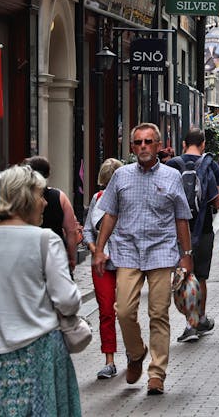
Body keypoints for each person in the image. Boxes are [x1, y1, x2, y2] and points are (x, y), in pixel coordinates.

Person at [0, 165, 81, 415]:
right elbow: (68, 300)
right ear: (26, 198)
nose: (44, 203)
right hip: (39, 350)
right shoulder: (45, 240)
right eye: (40, 195)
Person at [92, 123, 193, 396]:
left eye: (149, 142)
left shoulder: (173, 176)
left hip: (161, 252)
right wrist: (100, 249)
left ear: (159, 146)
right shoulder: (121, 176)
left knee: (158, 313)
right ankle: (136, 353)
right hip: (127, 251)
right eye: (138, 143)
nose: (144, 147)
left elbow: (181, 218)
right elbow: (110, 214)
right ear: (132, 147)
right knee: (123, 310)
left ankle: (157, 374)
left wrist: (187, 256)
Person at [166, 128, 219, 342]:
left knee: (182, 274)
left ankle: (188, 324)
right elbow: (217, 201)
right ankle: (199, 319)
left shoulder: (172, 165)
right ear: (203, 144)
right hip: (204, 228)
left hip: (177, 230)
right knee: (200, 276)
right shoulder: (211, 164)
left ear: (183, 144)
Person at [83, 158, 123, 379]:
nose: (108, 190)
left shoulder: (128, 200)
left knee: (127, 311)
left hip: (126, 261)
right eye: (106, 184)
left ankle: (134, 353)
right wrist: (94, 248)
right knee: (106, 311)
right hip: (102, 264)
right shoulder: (97, 199)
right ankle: (109, 360)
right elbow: (88, 230)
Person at [24, 156, 80, 273]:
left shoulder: (22, 198)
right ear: (48, 174)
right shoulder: (59, 197)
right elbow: (71, 231)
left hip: (29, 255)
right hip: (56, 255)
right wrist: (72, 257)